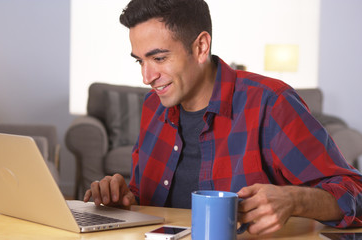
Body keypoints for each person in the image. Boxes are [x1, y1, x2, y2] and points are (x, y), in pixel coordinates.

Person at [83, 0, 362, 235]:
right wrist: (124, 198)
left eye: (159, 58)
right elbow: (150, 199)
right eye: (139, 61)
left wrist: (296, 199)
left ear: (201, 47)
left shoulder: (270, 103)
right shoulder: (152, 106)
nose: (146, 77)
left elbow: (355, 192)